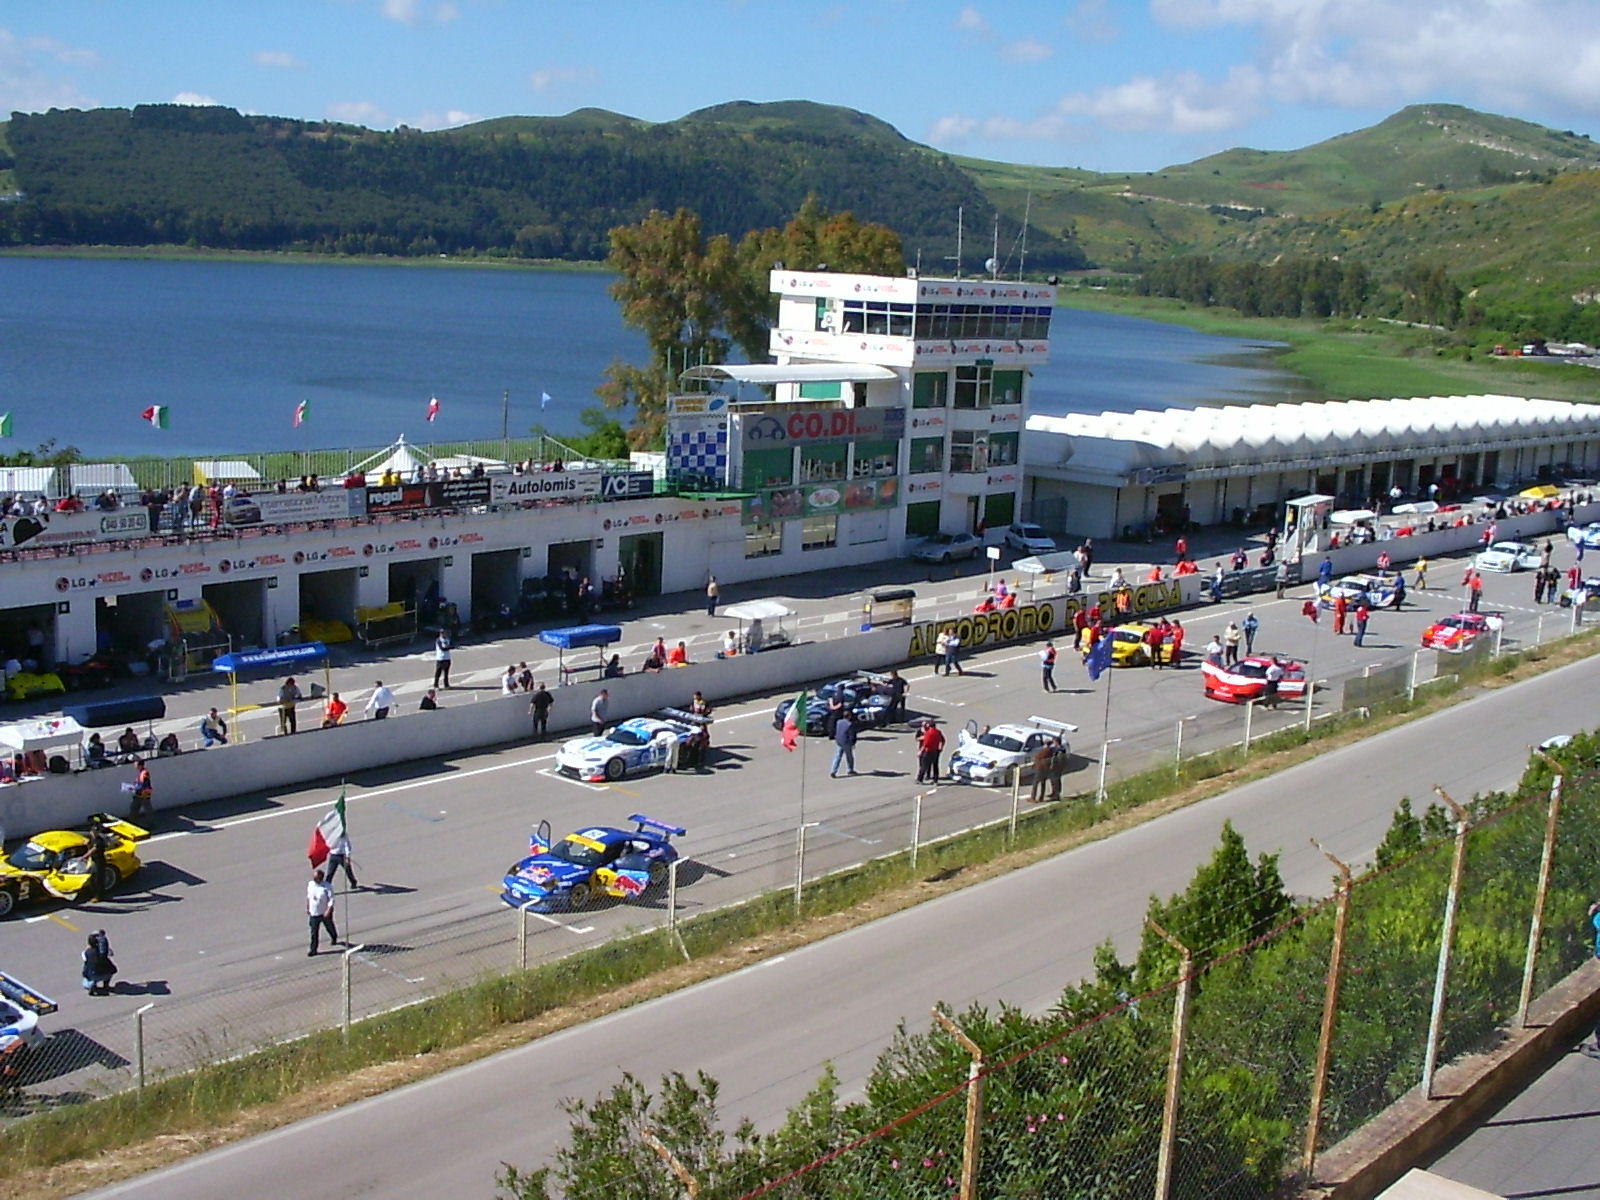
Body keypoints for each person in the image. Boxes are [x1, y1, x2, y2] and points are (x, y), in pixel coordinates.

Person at [306, 869, 339, 956]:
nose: (314, 879)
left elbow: (331, 899)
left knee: (329, 927)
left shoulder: (327, 887)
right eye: (314, 877)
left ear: (320, 878)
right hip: (314, 912)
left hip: (324, 912)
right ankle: (313, 949)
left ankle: (334, 936)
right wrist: (308, 907)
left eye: (316, 878)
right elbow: (309, 896)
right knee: (314, 932)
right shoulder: (311, 884)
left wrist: (328, 910)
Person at [81, 929, 116, 996]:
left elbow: (86, 961)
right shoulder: (104, 951)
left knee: (86, 982)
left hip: (94, 974)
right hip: (107, 973)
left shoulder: (86, 953)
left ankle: (92, 985)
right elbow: (111, 954)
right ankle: (106, 985)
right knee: (107, 968)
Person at [915, 719, 945, 784]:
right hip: (936, 751)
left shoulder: (928, 733)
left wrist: (920, 751)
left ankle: (920, 779)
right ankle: (935, 779)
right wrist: (941, 747)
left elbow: (926, 743)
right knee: (935, 765)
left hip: (928, 751)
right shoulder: (938, 732)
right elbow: (943, 740)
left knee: (924, 765)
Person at [829, 711, 857, 778]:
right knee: (849, 756)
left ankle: (833, 771)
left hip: (839, 741)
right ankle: (850, 770)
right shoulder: (849, 724)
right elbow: (851, 735)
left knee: (837, 756)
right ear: (849, 716)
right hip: (846, 742)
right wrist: (853, 743)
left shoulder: (839, 722)